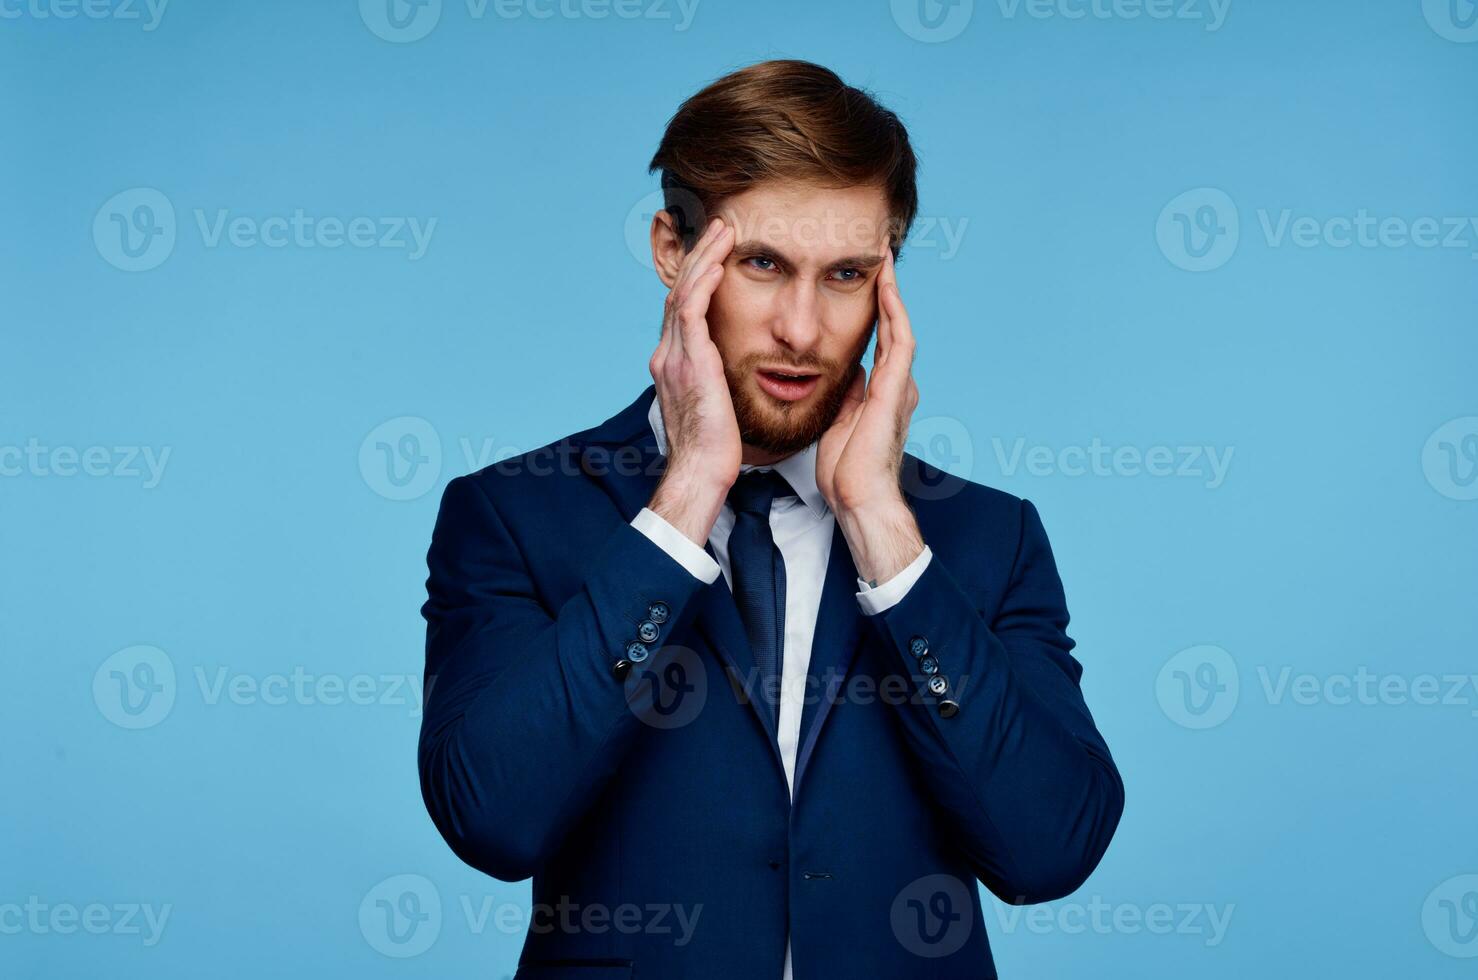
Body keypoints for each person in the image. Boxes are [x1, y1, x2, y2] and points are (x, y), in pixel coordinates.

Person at [419, 59, 1124, 980]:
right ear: (673, 248)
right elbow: (491, 820)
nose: (802, 327)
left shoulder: (988, 538)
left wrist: (881, 525)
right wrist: (683, 505)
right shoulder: (510, 514)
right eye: (763, 265)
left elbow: (1050, 851)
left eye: (846, 275)